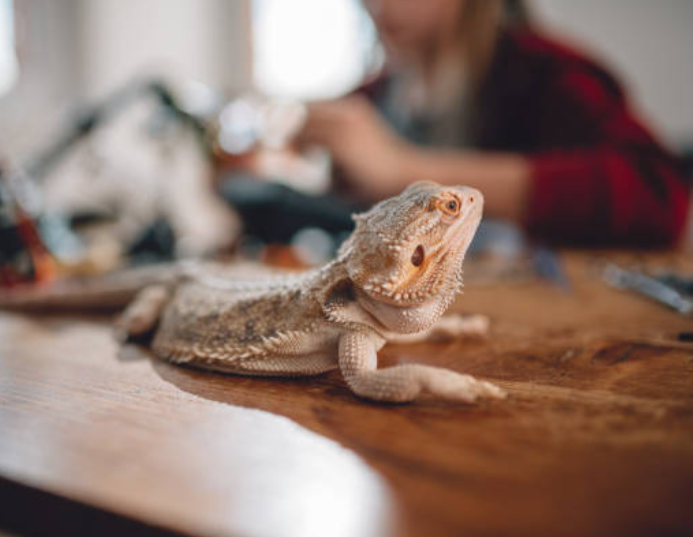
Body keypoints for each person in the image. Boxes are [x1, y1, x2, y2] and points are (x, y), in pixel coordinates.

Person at [296, 0, 690, 247]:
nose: (381, 7)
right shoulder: (375, 94)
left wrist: (406, 170)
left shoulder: (544, 72)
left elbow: (658, 195)